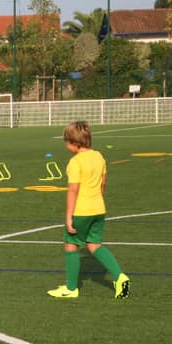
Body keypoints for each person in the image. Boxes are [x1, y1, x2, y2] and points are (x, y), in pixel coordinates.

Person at [48, 120, 130, 299]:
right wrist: (97, 200)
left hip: (82, 211)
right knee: (94, 245)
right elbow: (103, 182)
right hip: (98, 209)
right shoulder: (99, 156)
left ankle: (71, 289)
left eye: (67, 142)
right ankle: (120, 277)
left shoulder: (75, 162)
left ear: (75, 144)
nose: (66, 145)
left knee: (71, 245)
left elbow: (73, 190)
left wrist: (69, 217)